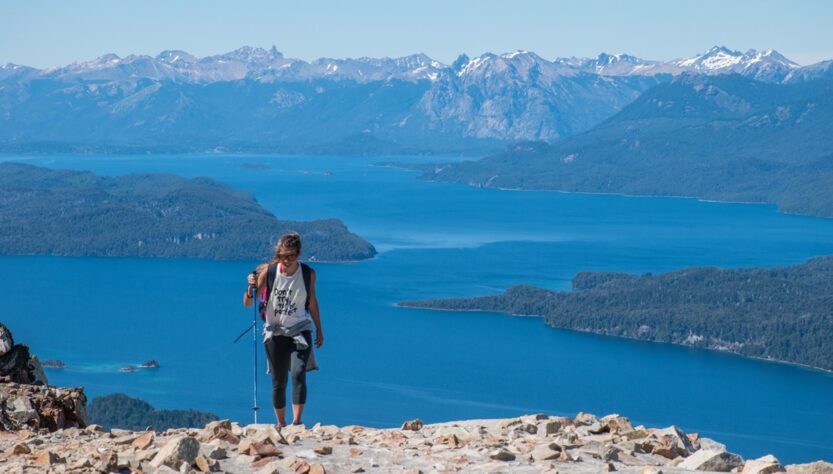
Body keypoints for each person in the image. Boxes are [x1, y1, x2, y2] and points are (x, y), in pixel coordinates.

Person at [243, 232, 323, 427]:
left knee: (298, 373)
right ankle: (281, 423)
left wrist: (319, 330)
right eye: (282, 257)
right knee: (279, 380)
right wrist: (249, 288)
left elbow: (312, 302)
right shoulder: (269, 272)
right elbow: (248, 303)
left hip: (300, 329)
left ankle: (297, 422)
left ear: (298, 254)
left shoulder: (307, 273)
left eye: (291, 256)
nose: (286, 261)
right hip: (275, 330)